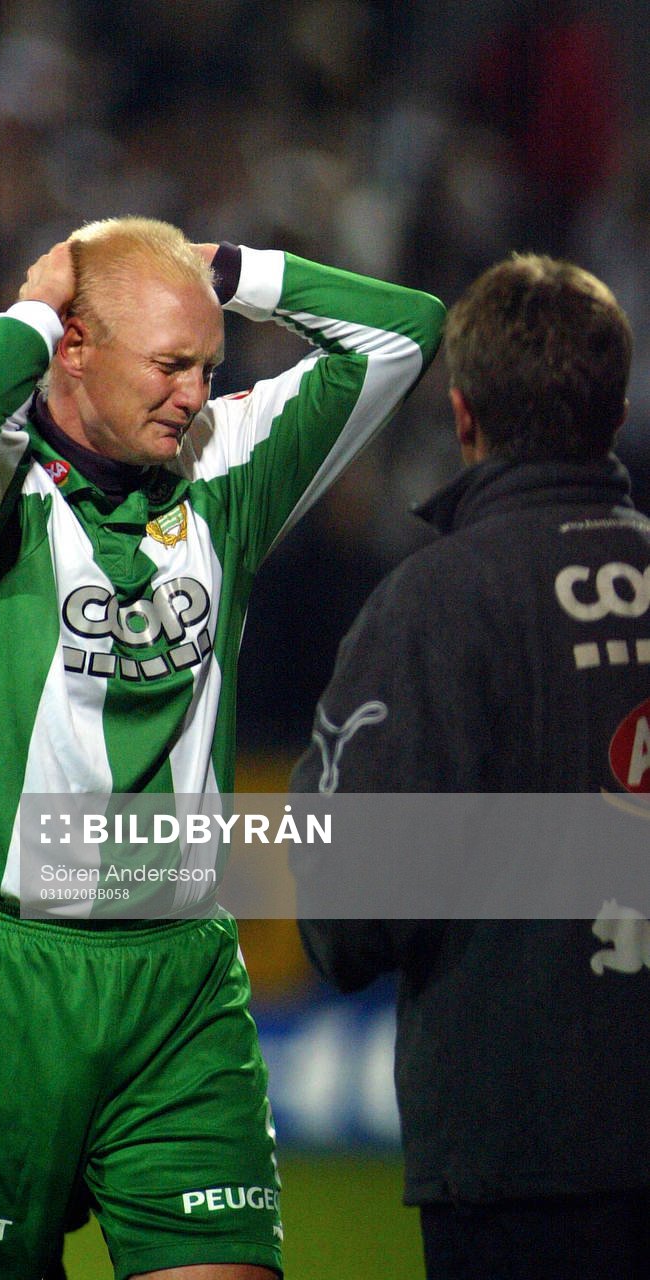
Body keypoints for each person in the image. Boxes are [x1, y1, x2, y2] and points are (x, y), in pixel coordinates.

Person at [0, 216, 444, 1279]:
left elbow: (405, 333)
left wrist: (232, 274)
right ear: (74, 349)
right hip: (0, 973)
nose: (193, 393)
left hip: (180, 976)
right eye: (169, 365)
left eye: (207, 366)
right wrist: (38, 296)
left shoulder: (221, 460)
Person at [291, 255, 650, 1279]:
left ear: (462, 415)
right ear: (615, 409)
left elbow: (351, 916)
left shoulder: (436, 604)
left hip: (518, 1157)